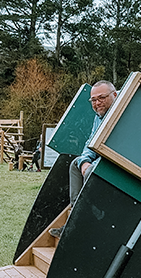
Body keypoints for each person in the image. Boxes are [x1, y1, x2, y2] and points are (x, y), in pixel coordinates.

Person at [50, 80, 118, 238]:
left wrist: (91, 164)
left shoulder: (122, 113)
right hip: (99, 161)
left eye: (101, 98)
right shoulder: (99, 117)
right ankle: (75, 219)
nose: (97, 103)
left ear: (114, 95)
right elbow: (90, 142)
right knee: (75, 165)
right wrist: (84, 161)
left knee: (92, 171)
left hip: (116, 164)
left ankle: (93, 221)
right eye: (93, 100)